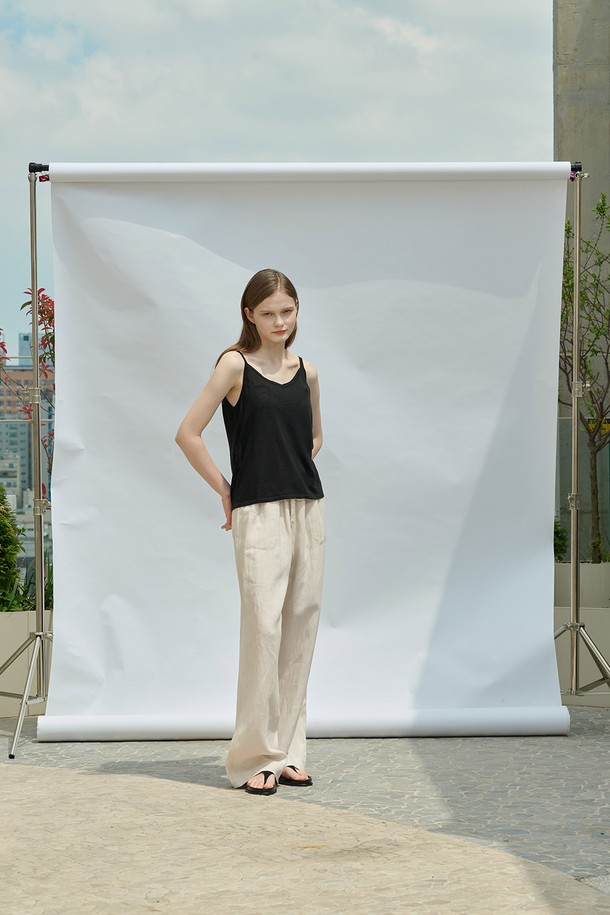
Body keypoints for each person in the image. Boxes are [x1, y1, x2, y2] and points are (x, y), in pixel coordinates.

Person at [175, 268, 325, 796]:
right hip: (257, 512)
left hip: (308, 508)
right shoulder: (234, 364)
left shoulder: (308, 372)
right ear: (249, 315)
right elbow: (187, 433)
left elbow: (314, 439)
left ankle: (289, 752)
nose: (280, 322)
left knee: (300, 628)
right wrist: (226, 489)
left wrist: (288, 468)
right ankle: (255, 756)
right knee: (263, 630)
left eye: (288, 311)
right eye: (268, 313)